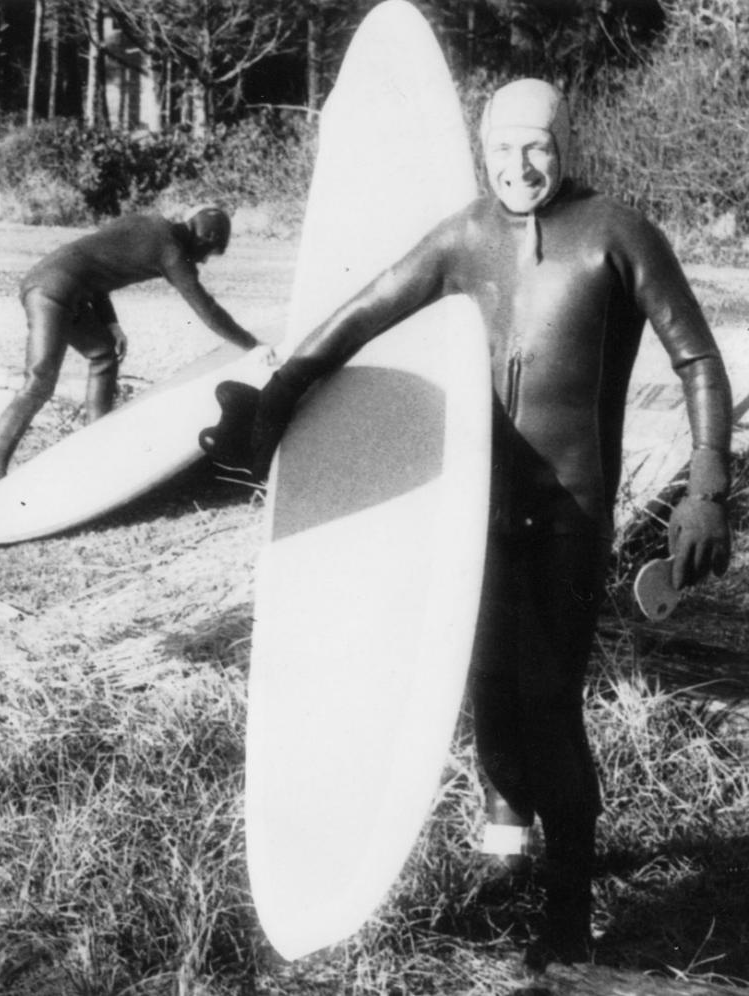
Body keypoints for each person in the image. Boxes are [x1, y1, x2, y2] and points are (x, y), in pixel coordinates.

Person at [230, 80, 733, 968]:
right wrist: (277, 398)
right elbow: (362, 312)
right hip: (479, 515)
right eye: (502, 147)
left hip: (570, 515)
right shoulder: (466, 235)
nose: (519, 165)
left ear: (565, 143)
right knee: (486, 686)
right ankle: (509, 856)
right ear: (482, 150)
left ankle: (568, 915)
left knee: (548, 705)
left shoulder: (616, 234)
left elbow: (696, 358)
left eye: (536, 145)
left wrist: (707, 487)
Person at [0, 207, 270, 483]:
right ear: (205, 239)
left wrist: (111, 324)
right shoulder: (172, 252)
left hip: (53, 285)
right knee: (39, 382)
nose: (204, 261)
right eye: (209, 254)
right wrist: (252, 345)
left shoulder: (144, 221)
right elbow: (207, 310)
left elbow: (92, 264)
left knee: (103, 353)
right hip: (50, 293)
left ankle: (98, 445)